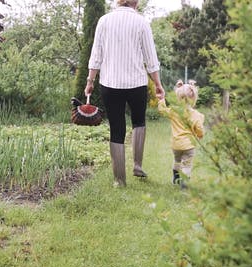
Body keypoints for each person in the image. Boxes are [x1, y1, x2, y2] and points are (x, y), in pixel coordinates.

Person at [85, 0, 165, 187]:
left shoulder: (104, 21)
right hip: (136, 83)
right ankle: (137, 165)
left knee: (117, 128)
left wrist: (90, 82)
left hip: (110, 83)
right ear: (135, 2)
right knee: (139, 121)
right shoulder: (142, 22)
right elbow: (150, 58)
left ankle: (119, 180)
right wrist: (158, 83)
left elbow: (96, 55)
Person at [158, 79, 205, 189]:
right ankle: (184, 184)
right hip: (189, 145)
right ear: (193, 98)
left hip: (176, 145)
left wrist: (161, 100)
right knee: (187, 164)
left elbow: (162, 110)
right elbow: (199, 128)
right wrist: (200, 135)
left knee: (177, 160)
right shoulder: (196, 115)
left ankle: (175, 176)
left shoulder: (174, 111)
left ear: (178, 97)